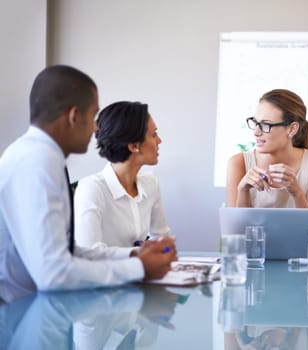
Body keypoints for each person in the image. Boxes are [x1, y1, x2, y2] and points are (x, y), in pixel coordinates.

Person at [0, 65, 177, 303]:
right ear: (74, 116)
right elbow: (54, 274)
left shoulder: (35, 155)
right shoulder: (39, 163)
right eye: (93, 116)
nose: (96, 128)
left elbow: (66, 252)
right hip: (18, 314)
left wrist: (134, 254)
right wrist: (138, 267)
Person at [226, 89, 308, 229]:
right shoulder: (238, 163)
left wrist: (297, 193)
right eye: (255, 122)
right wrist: (243, 190)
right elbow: (235, 234)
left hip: (300, 251)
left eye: (265, 125)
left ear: (292, 129)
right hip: (253, 251)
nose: (256, 132)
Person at [74, 101, 169, 249]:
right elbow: (89, 252)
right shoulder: (92, 188)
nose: (159, 141)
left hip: (144, 271)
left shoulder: (151, 183)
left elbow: (162, 239)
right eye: (154, 134)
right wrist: (139, 255)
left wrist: (162, 249)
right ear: (133, 146)